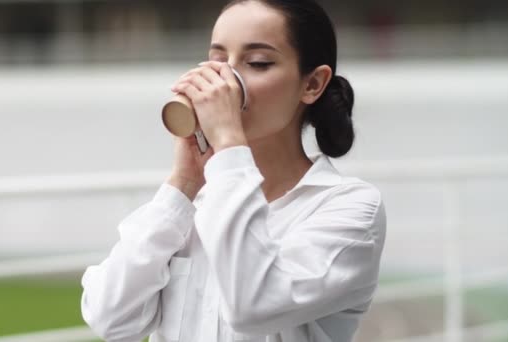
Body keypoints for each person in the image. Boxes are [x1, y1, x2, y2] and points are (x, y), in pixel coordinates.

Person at [80, 0, 387, 341]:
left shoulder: (349, 208)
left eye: (257, 62)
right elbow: (109, 316)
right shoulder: (196, 203)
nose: (226, 81)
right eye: (217, 61)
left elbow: (252, 306)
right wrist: (182, 185)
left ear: (312, 83)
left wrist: (227, 142)